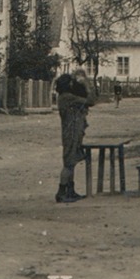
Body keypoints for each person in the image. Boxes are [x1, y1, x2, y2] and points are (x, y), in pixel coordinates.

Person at [54, 72, 95, 203]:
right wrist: (86, 85)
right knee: (68, 163)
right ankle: (61, 192)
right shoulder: (67, 97)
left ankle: (70, 191)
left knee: (71, 162)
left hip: (72, 133)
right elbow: (90, 101)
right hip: (71, 133)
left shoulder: (66, 97)